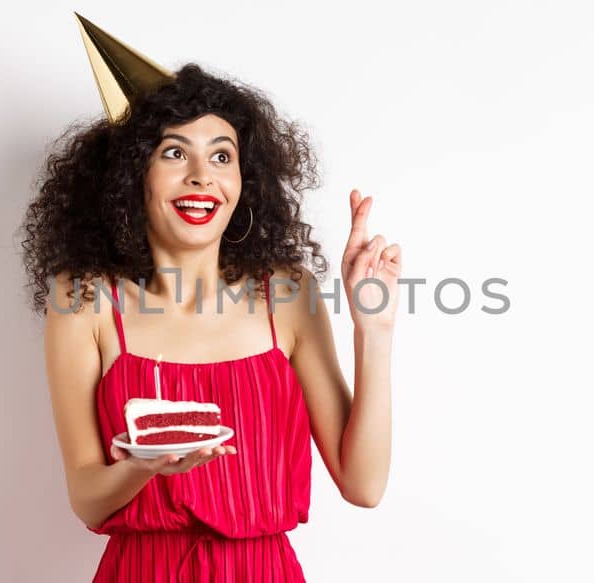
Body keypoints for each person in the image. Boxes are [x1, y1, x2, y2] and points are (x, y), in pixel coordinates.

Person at [20, 15, 402, 581]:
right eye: (174, 154)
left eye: (222, 156)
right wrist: (149, 468)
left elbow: (363, 485)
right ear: (134, 174)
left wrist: (374, 332)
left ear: (245, 180)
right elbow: (87, 497)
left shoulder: (287, 295)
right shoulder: (82, 300)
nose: (202, 176)